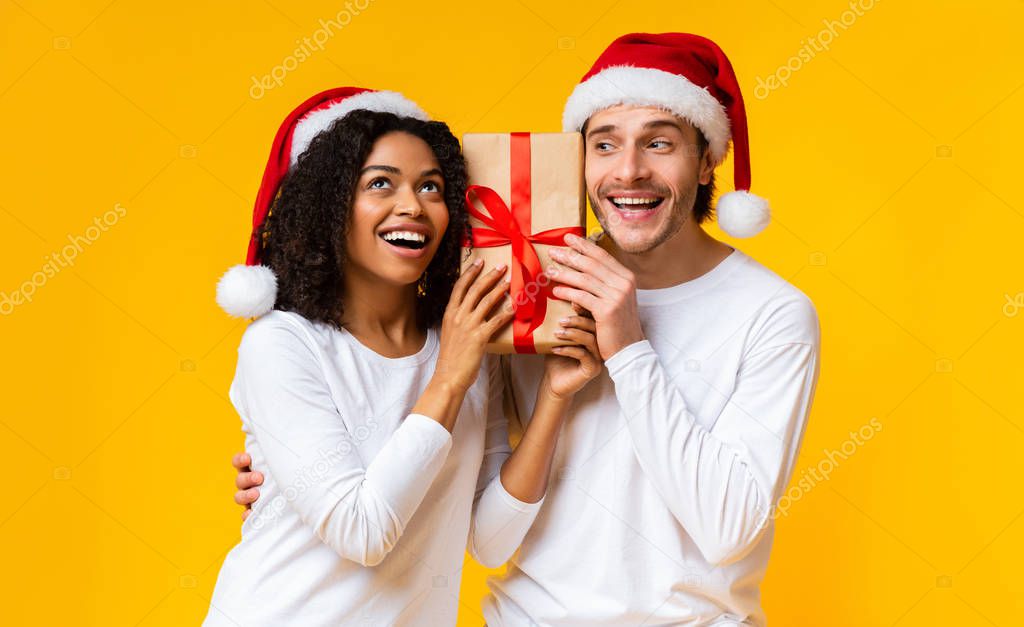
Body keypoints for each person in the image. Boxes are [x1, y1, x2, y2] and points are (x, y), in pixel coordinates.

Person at [236, 32, 821, 626]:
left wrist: (627, 347)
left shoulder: (772, 312)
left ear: (707, 160)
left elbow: (728, 530)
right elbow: (477, 531)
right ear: (579, 159)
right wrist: (287, 477)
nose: (630, 170)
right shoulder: (524, 291)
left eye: (660, 143)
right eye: (605, 144)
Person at [206, 87, 601, 626]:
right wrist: (449, 379)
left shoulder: (463, 343)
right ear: (330, 204)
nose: (412, 205)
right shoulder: (282, 344)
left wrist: (555, 395)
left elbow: (489, 541)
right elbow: (361, 532)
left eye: (431, 187)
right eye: (380, 184)